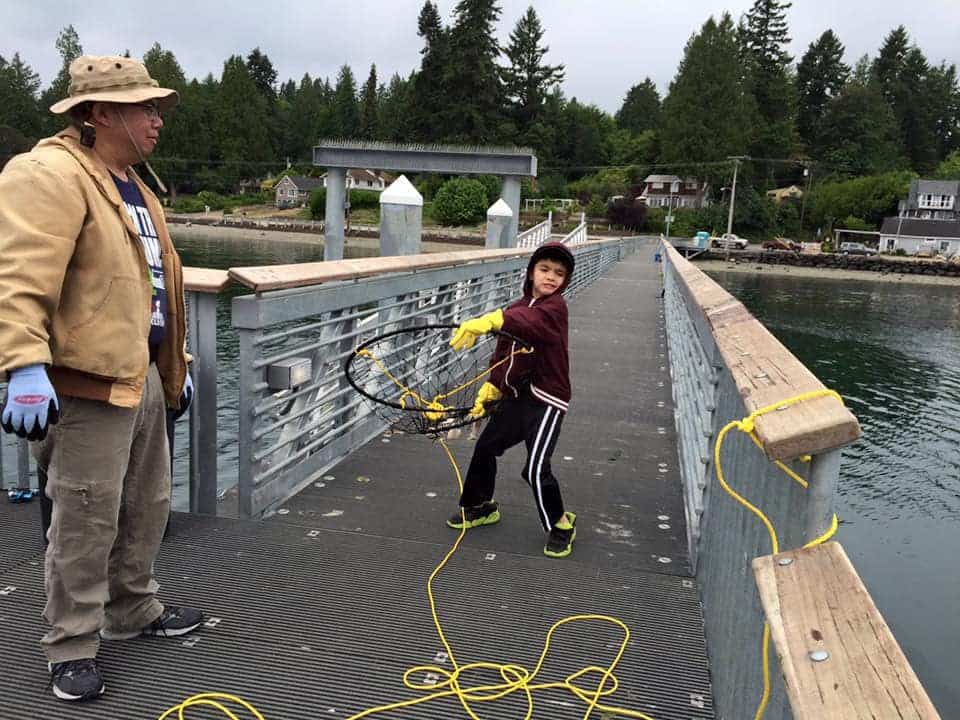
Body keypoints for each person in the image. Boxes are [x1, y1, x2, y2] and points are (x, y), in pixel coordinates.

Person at [0, 55, 202, 702]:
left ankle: (131, 609)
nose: (157, 120)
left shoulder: (131, 182)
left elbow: (150, 287)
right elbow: (18, 278)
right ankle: (70, 645)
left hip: (138, 372)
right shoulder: (46, 174)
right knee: (84, 518)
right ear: (100, 113)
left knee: (145, 507)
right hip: (82, 381)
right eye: (145, 108)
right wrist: (22, 365)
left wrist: (179, 365)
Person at [447, 242, 578, 558]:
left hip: (547, 400)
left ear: (565, 280)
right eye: (544, 269)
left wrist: (491, 321)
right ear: (531, 271)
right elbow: (504, 354)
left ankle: (561, 524)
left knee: (534, 469)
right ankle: (480, 506)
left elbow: (529, 325)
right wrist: (491, 389)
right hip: (517, 397)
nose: (550, 277)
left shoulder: (555, 309)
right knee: (486, 446)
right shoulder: (519, 306)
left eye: (559, 273)